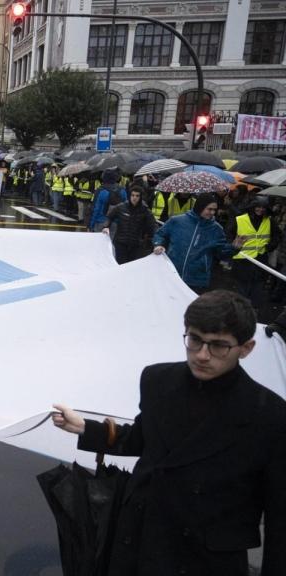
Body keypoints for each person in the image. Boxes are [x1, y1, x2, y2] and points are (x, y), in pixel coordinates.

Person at [51, 290, 285, 576]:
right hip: (139, 539)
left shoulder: (270, 414)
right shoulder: (157, 380)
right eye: (195, 339)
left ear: (246, 348)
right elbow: (143, 438)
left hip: (205, 559)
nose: (202, 355)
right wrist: (86, 428)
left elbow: (279, 515)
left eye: (218, 346)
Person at [153, 192, 244, 294]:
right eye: (209, 209)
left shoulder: (216, 229)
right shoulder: (177, 221)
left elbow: (221, 253)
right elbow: (160, 234)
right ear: (200, 207)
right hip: (171, 274)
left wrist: (233, 248)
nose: (212, 212)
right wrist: (159, 244)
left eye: (214, 210)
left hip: (197, 280)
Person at [227, 197, 277, 308]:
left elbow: (277, 236)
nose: (260, 210)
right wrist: (233, 244)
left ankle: (252, 313)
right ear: (252, 207)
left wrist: (270, 247)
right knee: (241, 290)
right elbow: (229, 234)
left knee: (257, 291)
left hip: (260, 260)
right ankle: (238, 312)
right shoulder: (240, 219)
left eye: (263, 207)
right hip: (242, 260)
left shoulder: (270, 221)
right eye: (258, 207)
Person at [102, 186, 158, 264]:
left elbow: (153, 226)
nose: (134, 198)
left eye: (137, 196)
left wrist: (157, 242)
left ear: (140, 197)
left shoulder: (145, 211)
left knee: (131, 266)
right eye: (132, 195)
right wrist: (106, 226)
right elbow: (109, 216)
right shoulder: (121, 207)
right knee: (120, 265)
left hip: (135, 244)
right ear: (129, 196)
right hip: (120, 243)